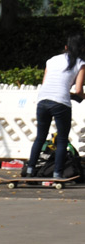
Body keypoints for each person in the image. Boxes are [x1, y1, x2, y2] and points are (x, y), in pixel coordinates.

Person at [24, 33, 85, 181]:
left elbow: (46, 84)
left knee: (40, 137)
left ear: (66, 47)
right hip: (61, 103)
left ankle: (30, 169)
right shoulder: (80, 63)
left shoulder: (51, 60)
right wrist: (82, 97)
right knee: (62, 139)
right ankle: (57, 173)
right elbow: (78, 90)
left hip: (42, 100)